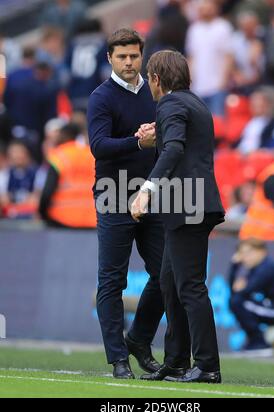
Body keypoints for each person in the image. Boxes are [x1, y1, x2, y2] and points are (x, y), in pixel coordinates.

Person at [131, 50, 225, 383]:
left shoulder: (170, 105)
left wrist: (146, 191)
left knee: (190, 287)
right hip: (193, 203)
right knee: (170, 284)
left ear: (156, 78)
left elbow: (175, 149)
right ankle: (176, 361)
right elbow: (178, 143)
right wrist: (155, 139)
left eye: (149, 78)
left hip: (187, 205)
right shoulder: (194, 103)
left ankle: (207, 365)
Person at [87, 29, 164, 379]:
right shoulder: (101, 98)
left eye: (134, 56)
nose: (129, 62)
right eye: (122, 56)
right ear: (110, 59)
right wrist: (138, 143)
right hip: (113, 194)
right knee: (112, 280)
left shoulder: (156, 92)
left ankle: (138, 339)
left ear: (142, 56)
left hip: (153, 194)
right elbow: (99, 146)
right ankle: (118, 359)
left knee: (168, 273)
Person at [229, 239, 274, 355]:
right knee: (237, 301)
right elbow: (233, 289)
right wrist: (234, 266)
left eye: (248, 253)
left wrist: (241, 287)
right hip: (272, 307)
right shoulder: (256, 268)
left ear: (262, 252)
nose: (244, 257)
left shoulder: (267, 267)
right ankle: (256, 341)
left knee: (237, 302)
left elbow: (245, 291)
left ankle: (260, 343)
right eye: (241, 253)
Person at [39, 122, 95, 228]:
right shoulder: (92, 155)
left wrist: (42, 213)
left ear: (65, 135)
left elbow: (47, 191)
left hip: (61, 219)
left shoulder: (59, 156)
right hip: (92, 219)